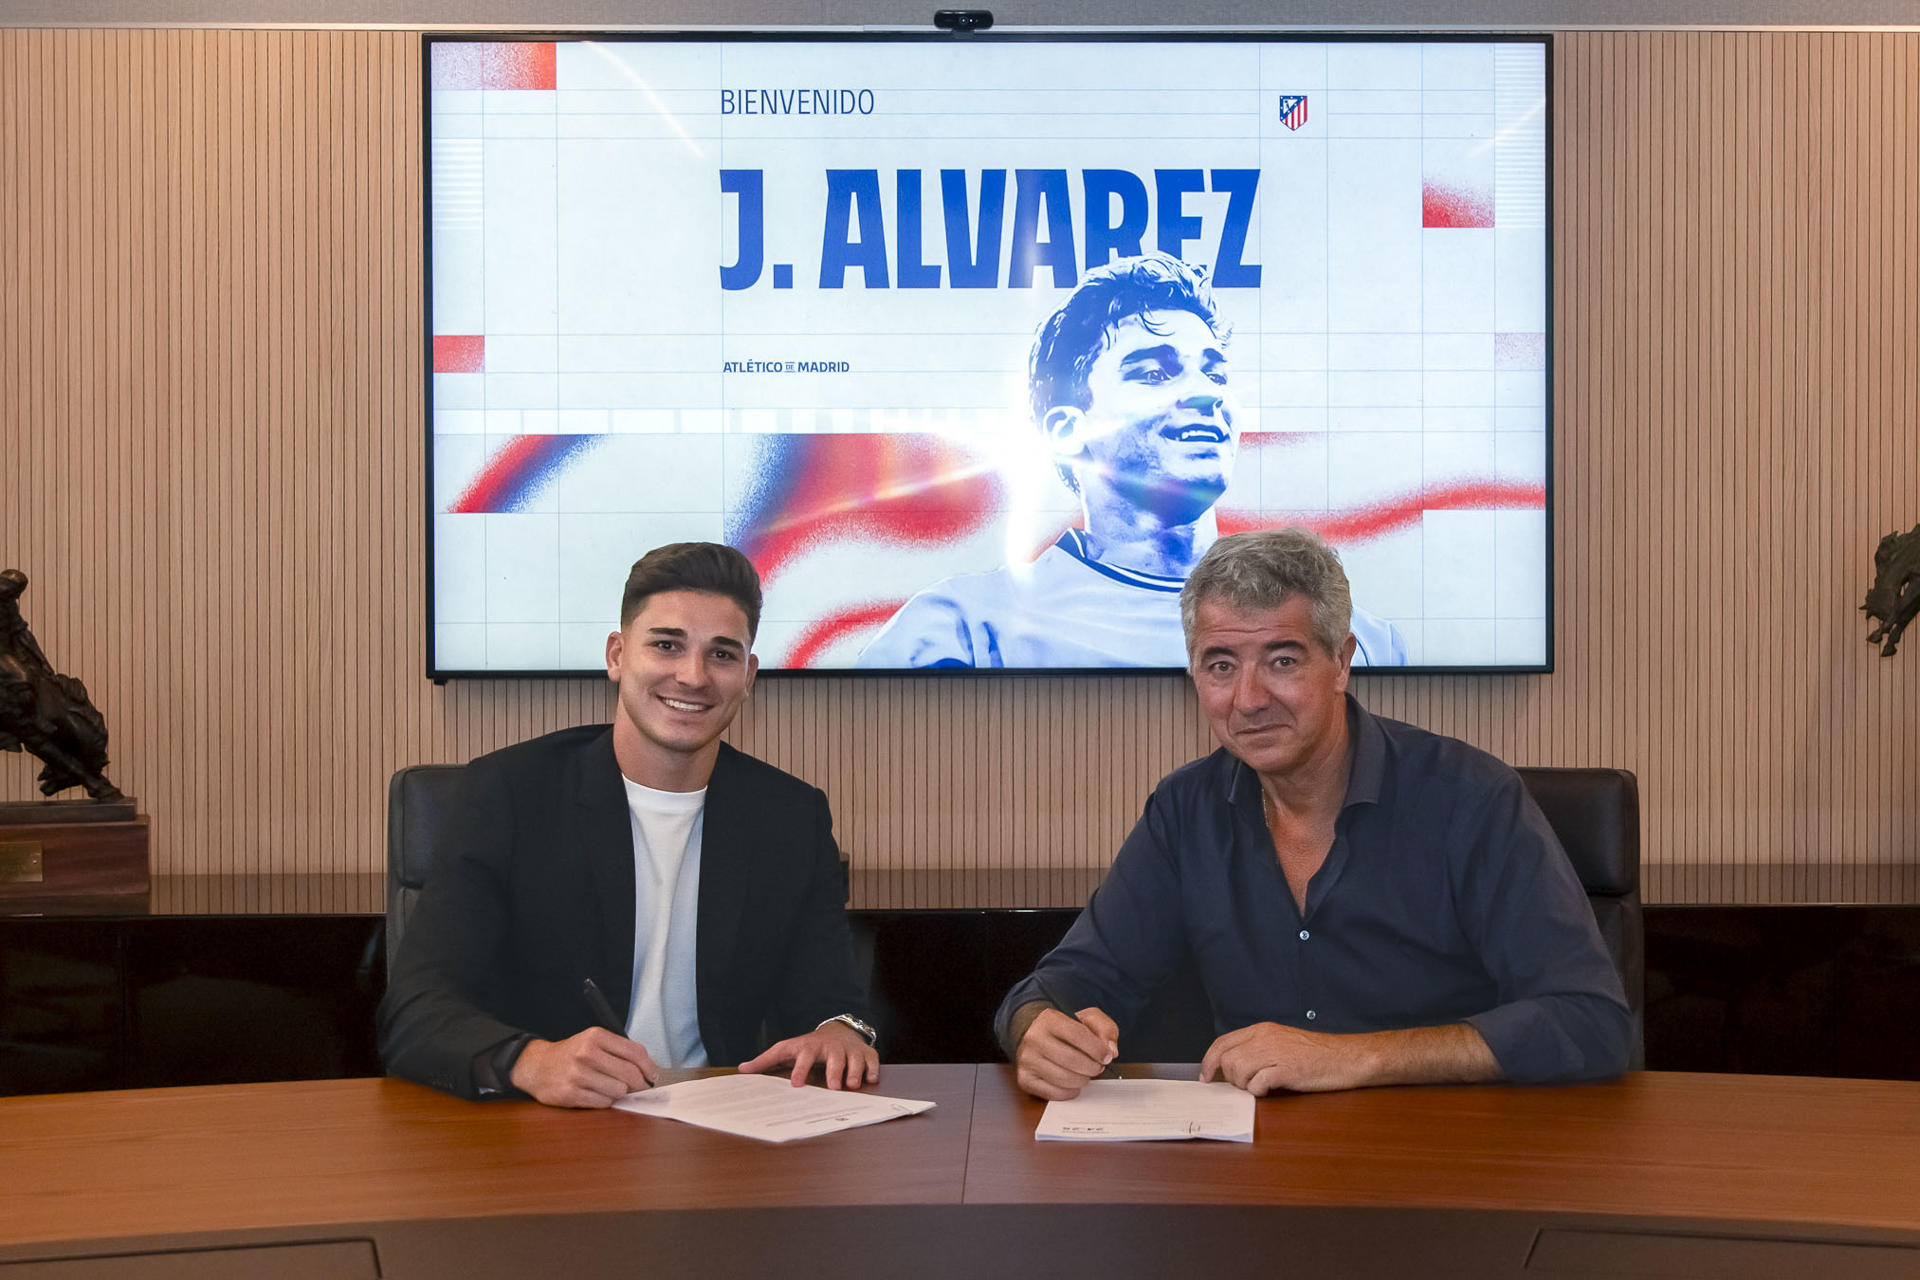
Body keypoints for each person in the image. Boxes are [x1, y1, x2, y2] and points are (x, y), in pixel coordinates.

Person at [994, 528, 1630, 1098]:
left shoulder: (1471, 799)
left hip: (1450, 1165)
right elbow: (1067, 983)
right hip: (1254, 1174)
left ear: (1342, 661)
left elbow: (1590, 1022)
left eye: (1282, 660)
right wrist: (1038, 1032)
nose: (1248, 699)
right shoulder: (1186, 811)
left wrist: (1353, 1058)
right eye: (1222, 666)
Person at [379, 542, 879, 1106]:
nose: (692, 676)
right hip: (547, 1132)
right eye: (666, 645)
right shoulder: (509, 794)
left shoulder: (790, 816)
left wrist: (840, 1030)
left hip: (724, 1133)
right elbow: (416, 1009)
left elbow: (831, 999)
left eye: (721, 654)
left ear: (748, 675)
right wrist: (529, 1060)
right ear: (618, 655)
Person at [858, 255, 1405, 669]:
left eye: (1214, 373)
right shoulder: (961, 628)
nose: (1205, 394)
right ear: (1071, 431)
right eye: (1153, 373)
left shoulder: (1365, 643)